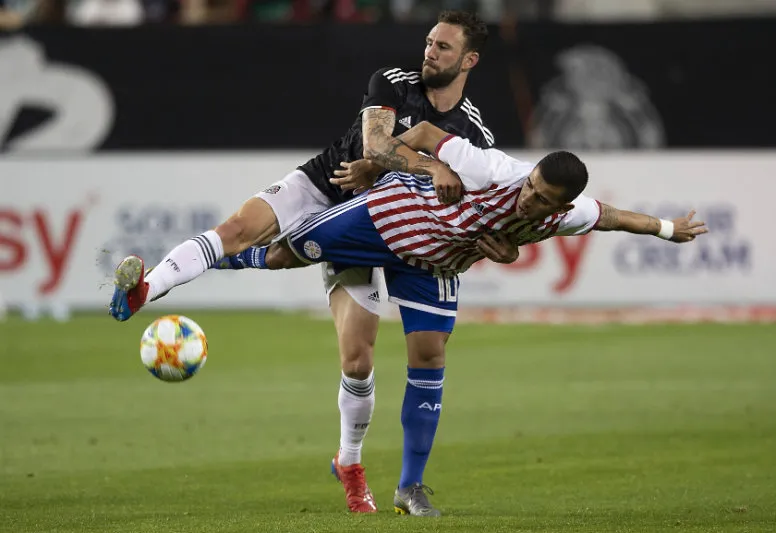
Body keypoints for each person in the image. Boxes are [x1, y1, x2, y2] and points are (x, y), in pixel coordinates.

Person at [119, 122, 708, 516]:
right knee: (276, 254)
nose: (530, 200)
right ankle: (161, 282)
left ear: (560, 206)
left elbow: (612, 218)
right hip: (384, 219)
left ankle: (408, 485)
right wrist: (433, 168)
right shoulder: (491, 167)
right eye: (530, 189)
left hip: (431, 264)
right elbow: (424, 132)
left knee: (424, 356)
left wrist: (667, 229)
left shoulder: (567, 213)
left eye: (542, 201)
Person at [108, 11, 507, 516]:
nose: (430, 52)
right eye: (429, 42)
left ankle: (350, 461)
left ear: (469, 60)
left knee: (363, 361)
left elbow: (476, 203)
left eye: (444, 47)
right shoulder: (392, 80)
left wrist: (491, 239)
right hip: (326, 185)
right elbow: (375, 145)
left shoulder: (474, 134)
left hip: (389, 231)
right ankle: (144, 289)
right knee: (236, 232)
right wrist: (429, 165)